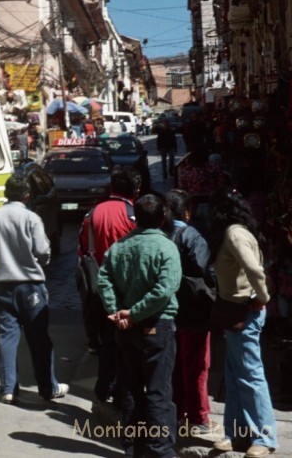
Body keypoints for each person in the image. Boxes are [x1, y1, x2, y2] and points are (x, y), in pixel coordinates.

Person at [98, 194, 182, 458]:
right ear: (162, 217)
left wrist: (116, 312)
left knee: (132, 390)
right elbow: (164, 290)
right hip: (156, 327)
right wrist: (133, 313)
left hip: (126, 330)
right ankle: (160, 450)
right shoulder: (166, 247)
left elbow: (104, 280)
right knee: (158, 392)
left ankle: (133, 448)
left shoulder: (119, 246)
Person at [0, 173, 68, 404]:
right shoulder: (31, 218)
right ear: (27, 195)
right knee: (39, 339)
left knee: (7, 336)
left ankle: (8, 389)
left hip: (0, 285)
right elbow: (43, 251)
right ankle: (48, 388)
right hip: (29, 286)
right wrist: (37, 262)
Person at [208, 188, 278, 457]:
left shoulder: (233, 234)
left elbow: (254, 270)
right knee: (235, 374)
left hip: (243, 312)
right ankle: (237, 433)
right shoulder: (239, 231)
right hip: (235, 312)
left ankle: (265, 436)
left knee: (250, 376)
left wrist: (263, 298)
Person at [77, 167, 140, 414]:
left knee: (106, 342)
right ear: (135, 191)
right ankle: (121, 393)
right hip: (126, 289)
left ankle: (103, 388)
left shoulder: (92, 213)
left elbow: (82, 249)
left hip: (99, 288)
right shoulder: (133, 215)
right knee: (126, 344)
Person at [165, 189, 218, 436]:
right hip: (192, 311)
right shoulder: (191, 235)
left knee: (173, 364)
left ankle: (176, 412)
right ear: (187, 212)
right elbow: (206, 270)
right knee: (196, 364)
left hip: (165, 311)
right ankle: (198, 416)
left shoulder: (157, 234)